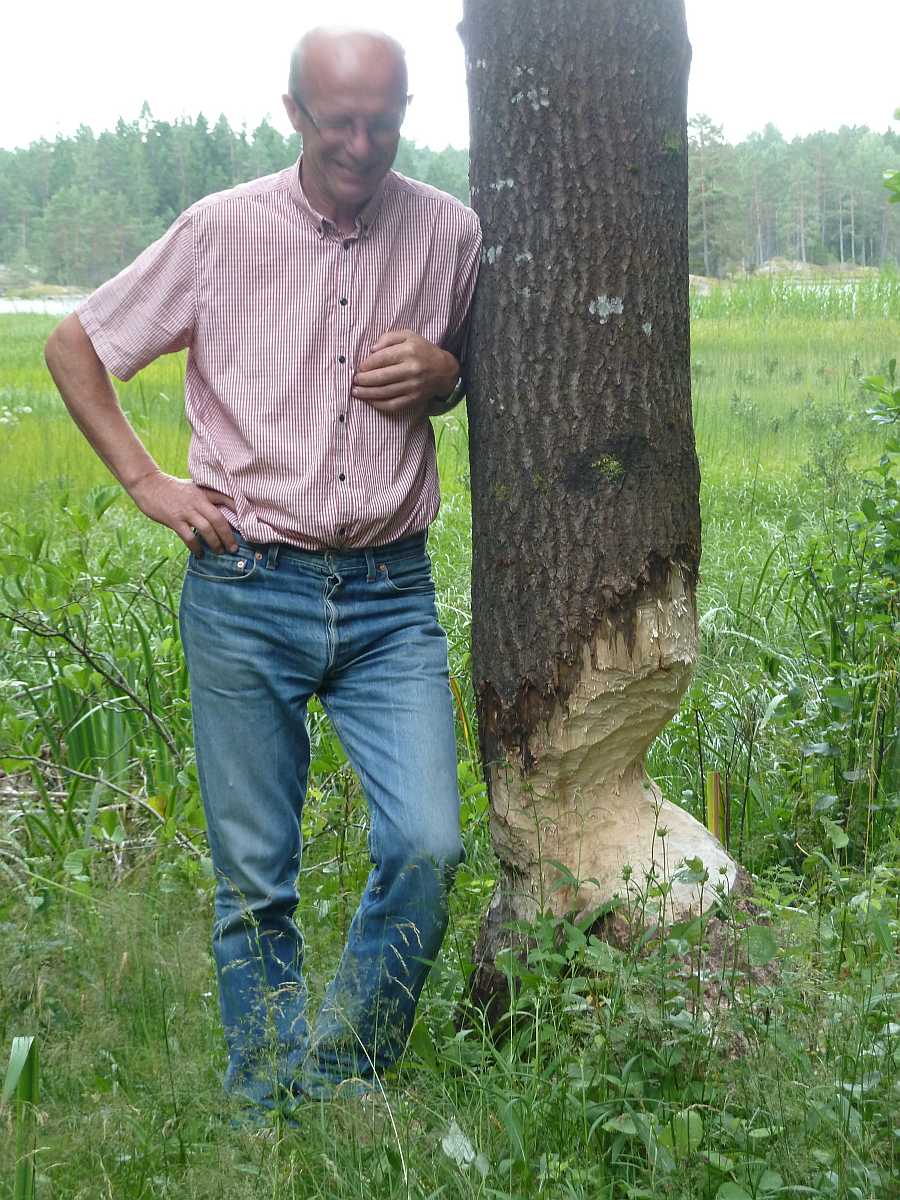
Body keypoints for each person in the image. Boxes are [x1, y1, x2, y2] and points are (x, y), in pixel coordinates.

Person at [45, 27, 481, 1113]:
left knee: (429, 843)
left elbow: (478, 377)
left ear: (405, 111)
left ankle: (342, 1067)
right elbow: (76, 348)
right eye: (339, 119)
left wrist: (447, 372)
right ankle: (270, 1108)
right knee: (256, 879)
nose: (363, 142)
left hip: (392, 597)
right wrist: (152, 485)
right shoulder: (220, 231)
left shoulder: (450, 233)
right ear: (294, 112)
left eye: (383, 118)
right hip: (246, 587)